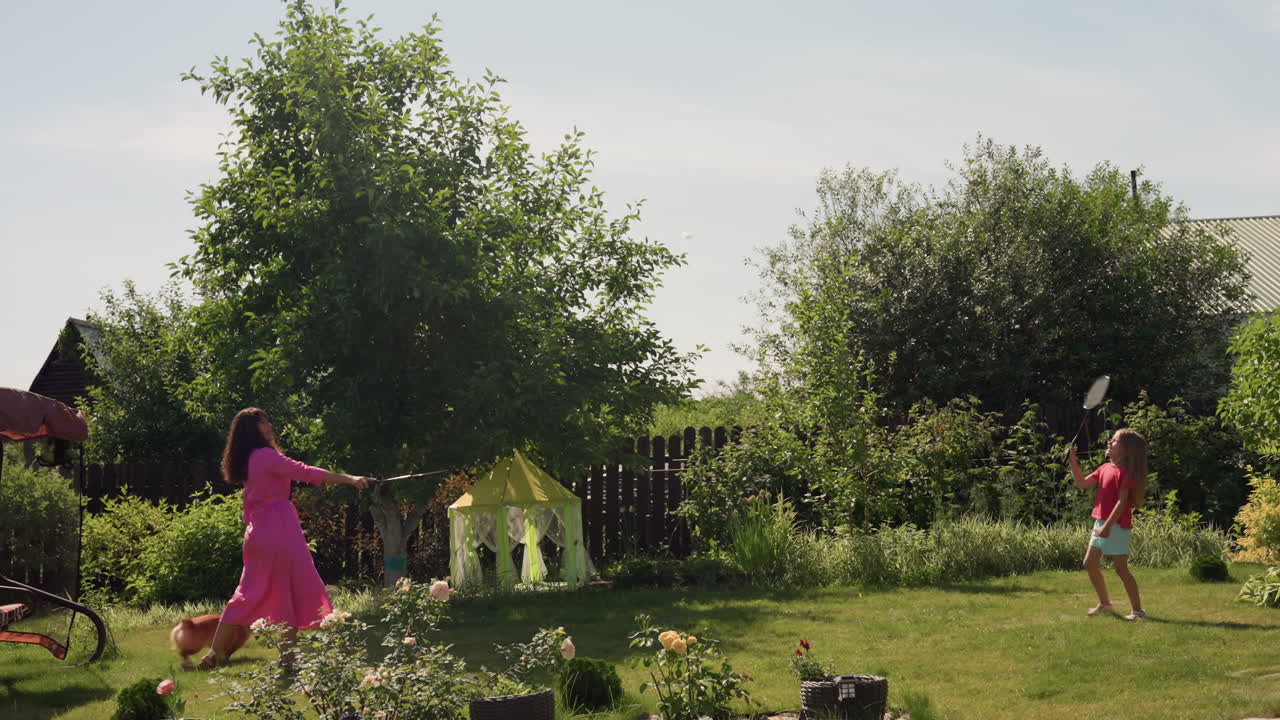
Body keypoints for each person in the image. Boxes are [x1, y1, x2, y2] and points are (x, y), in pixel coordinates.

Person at [200, 407, 373, 668]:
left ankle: (215, 655)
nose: (269, 425)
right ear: (252, 429)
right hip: (278, 530)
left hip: (259, 532)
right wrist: (350, 479)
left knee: (246, 593)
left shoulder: (248, 457)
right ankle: (287, 658)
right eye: (263, 423)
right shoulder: (265, 456)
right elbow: (305, 471)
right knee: (286, 592)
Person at [1068, 428, 1149, 622]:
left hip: (1117, 526)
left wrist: (1107, 527)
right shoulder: (1104, 468)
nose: (1109, 443)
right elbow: (1081, 483)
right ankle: (1105, 604)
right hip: (1101, 523)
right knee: (1090, 563)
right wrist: (1073, 462)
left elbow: (1122, 503)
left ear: (1127, 450)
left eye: (1114, 441)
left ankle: (1138, 612)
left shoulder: (1126, 473)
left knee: (1121, 569)